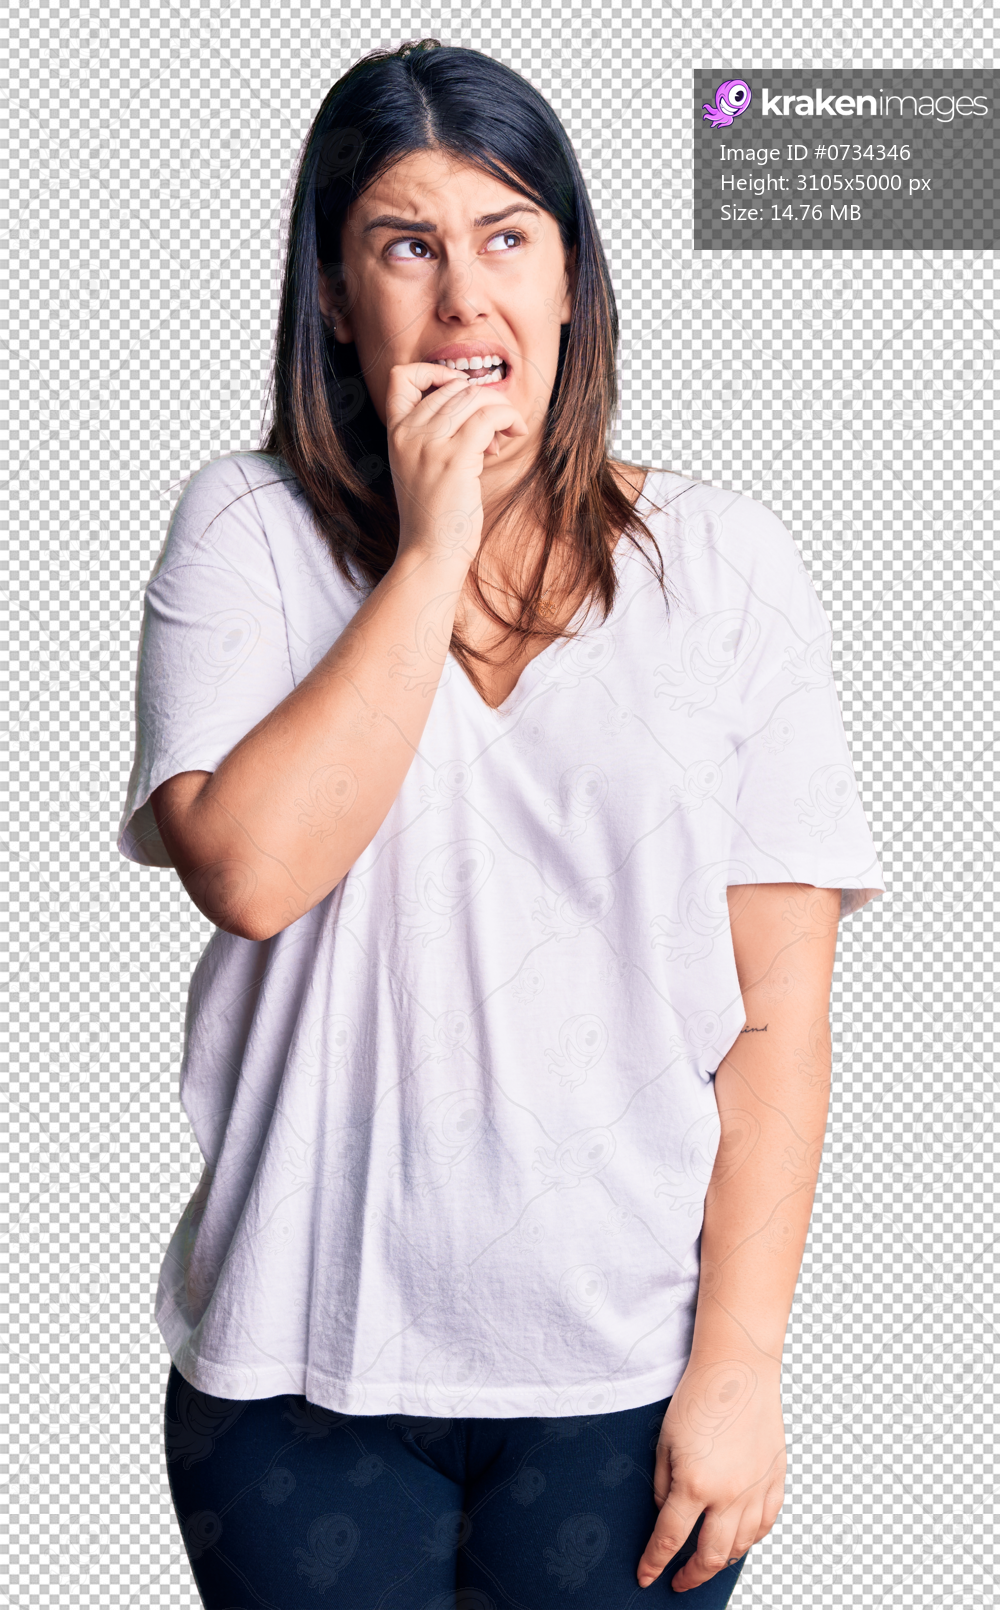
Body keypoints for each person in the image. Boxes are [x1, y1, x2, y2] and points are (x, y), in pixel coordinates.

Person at [118, 39, 884, 1609]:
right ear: (338, 298)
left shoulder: (726, 564)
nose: (464, 300)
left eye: (507, 236)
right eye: (407, 244)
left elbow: (779, 1014)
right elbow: (254, 873)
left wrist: (741, 1363)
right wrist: (429, 549)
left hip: (620, 1373)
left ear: (570, 284)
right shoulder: (245, 532)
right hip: (295, 1375)